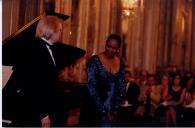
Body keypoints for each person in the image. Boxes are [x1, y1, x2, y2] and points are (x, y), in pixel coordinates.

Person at [3, 15, 67, 127]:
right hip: (37, 112)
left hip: (44, 108)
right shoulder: (36, 49)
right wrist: (44, 115)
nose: (61, 33)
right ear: (52, 31)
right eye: (60, 30)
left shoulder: (45, 48)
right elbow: (35, 85)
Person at [80, 34, 125, 126]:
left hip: (113, 109)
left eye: (114, 48)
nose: (110, 49)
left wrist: (115, 108)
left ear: (118, 49)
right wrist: (103, 110)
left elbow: (121, 85)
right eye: (108, 46)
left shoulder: (121, 63)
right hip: (95, 108)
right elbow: (91, 86)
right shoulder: (94, 61)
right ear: (105, 44)